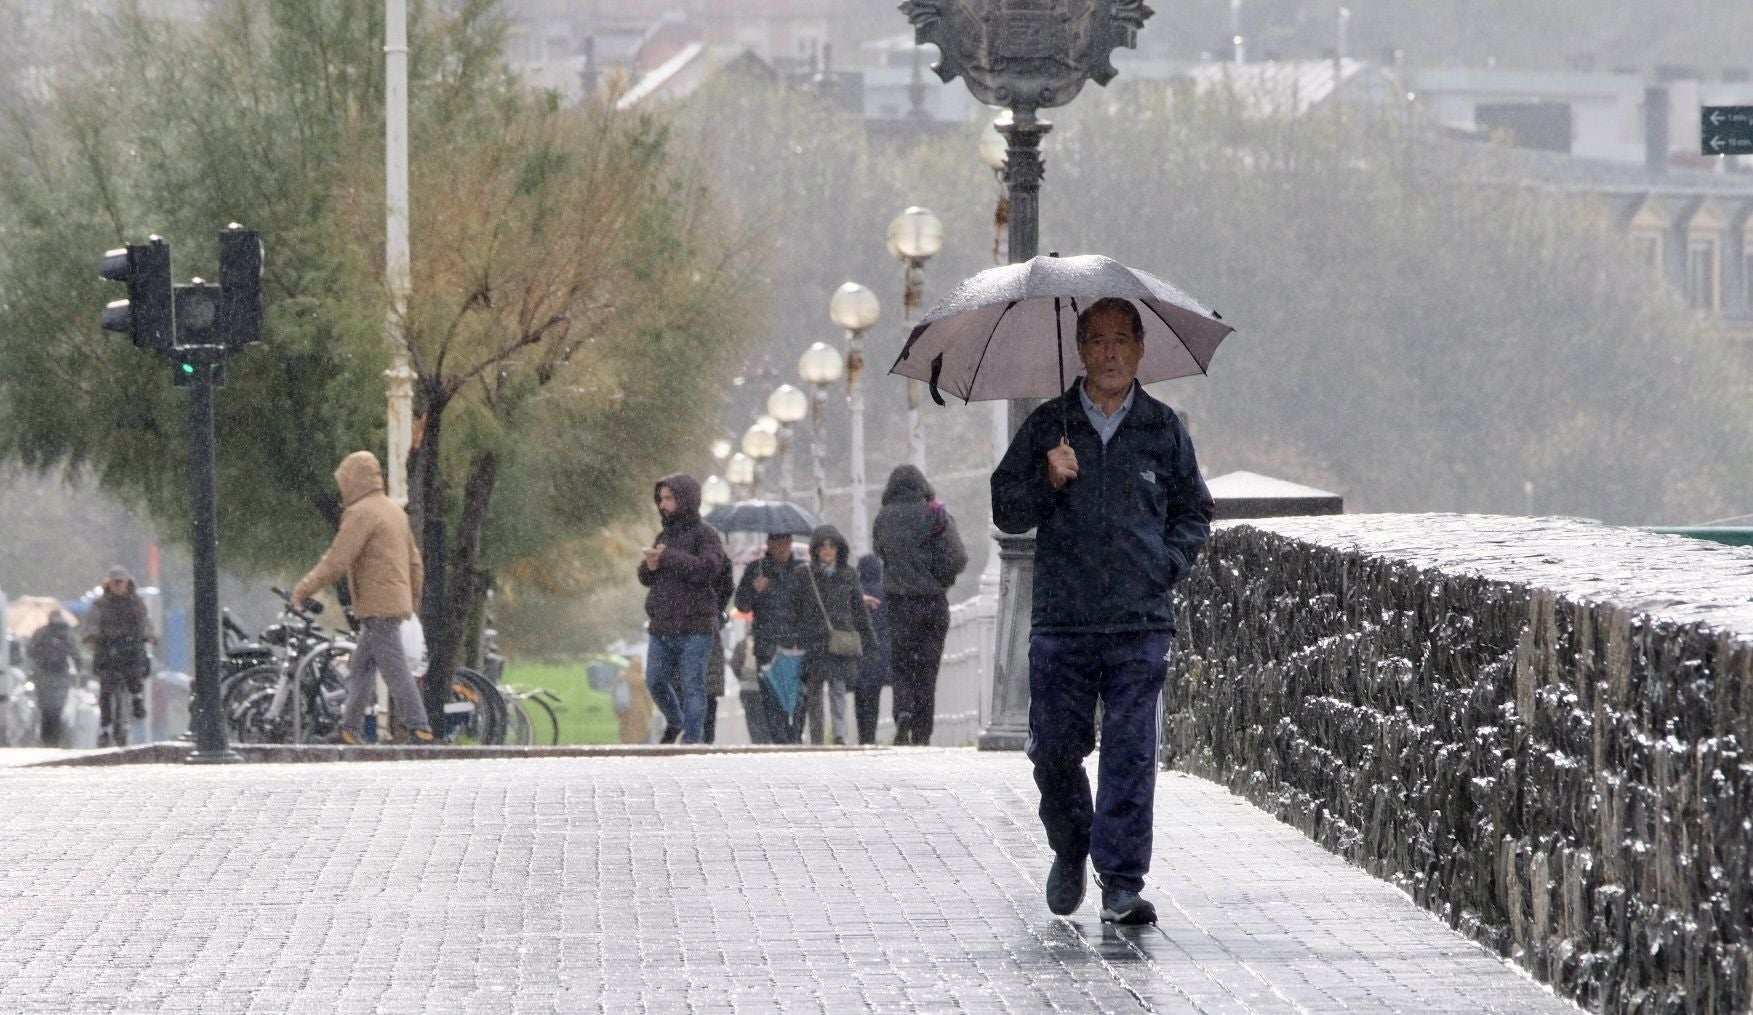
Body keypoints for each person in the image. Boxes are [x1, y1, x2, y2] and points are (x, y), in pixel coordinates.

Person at [991, 296, 1214, 926]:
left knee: (1130, 750)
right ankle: (1070, 842)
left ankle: (1121, 880)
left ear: (1141, 349)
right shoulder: (1048, 426)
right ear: (1081, 350)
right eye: (1096, 340)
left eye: (1122, 339)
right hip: (1063, 619)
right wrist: (1046, 479)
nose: (1110, 352)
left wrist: (1165, 564)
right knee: (1054, 751)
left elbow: (1194, 512)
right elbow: (1007, 509)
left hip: (1140, 622)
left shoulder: (1163, 429)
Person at [290, 450, 435, 746]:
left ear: (353, 480)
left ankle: (420, 728)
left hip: (379, 606)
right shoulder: (394, 511)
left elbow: (337, 561)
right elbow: (415, 563)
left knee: (394, 671)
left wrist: (303, 589)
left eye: (344, 480)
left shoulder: (361, 513)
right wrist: (412, 603)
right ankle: (350, 730)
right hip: (391, 604)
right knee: (361, 667)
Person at [873, 464, 968, 746]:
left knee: (901, 663)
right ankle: (922, 731)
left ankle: (903, 711)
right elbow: (958, 557)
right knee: (928, 668)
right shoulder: (935, 514)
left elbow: (880, 552)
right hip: (932, 603)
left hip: (899, 603)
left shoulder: (883, 518)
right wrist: (939, 575)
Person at [636, 474, 728, 745]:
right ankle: (676, 720)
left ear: (684, 500)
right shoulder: (663, 536)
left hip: (696, 625)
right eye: (661, 499)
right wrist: (650, 566)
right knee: (655, 680)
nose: (663, 504)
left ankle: (692, 741)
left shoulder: (706, 535)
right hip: (663, 623)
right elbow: (646, 577)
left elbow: (708, 569)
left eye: (669, 498)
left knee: (694, 685)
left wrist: (668, 557)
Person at [775, 525, 874, 745]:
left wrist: (869, 641)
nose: (828, 551)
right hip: (813, 642)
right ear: (816, 550)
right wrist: (790, 635)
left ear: (839, 549)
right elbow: (793, 607)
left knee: (838, 689)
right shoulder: (804, 574)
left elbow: (858, 609)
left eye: (832, 546)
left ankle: (839, 735)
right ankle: (817, 736)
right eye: (823, 546)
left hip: (840, 641)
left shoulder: (848, 574)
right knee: (814, 692)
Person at [733, 533, 801, 744]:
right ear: (769, 544)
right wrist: (754, 589)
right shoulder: (756, 569)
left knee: (796, 695)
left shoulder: (801, 570)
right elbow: (742, 604)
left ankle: (794, 736)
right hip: (766, 645)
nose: (781, 548)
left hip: (795, 645)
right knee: (770, 697)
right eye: (776, 543)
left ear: (790, 543)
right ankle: (780, 739)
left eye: (785, 543)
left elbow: (809, 605)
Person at [83, 566, 155, 747]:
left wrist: (148, 635)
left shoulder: (135, 602)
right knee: (106, 690)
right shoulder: (101, 604)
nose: (117, 586)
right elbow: (93, 622)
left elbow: (145, 621)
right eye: (114, 582)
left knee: (134, 673)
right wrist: (92, 636)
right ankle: (105, 728)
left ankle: (137, 697)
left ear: (127, 583)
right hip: (108, 649)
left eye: (120, 582)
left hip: (131, 648)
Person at [853, 553, 892, 746]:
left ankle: (863, 735)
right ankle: (871, 734)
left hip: (859, 651)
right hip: (880, 651)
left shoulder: (857, 592)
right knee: (874, 695)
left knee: (860, 695)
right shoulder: (886, 592)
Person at [27, 611, 81, 747]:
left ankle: (46, 736)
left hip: (43, 675)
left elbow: (30, 651)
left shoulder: (41, 632)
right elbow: (75, 653)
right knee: (58, 707)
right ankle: (55, 737)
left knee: (45, 707)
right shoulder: (66, 633)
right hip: (61, 675)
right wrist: (78, 669)